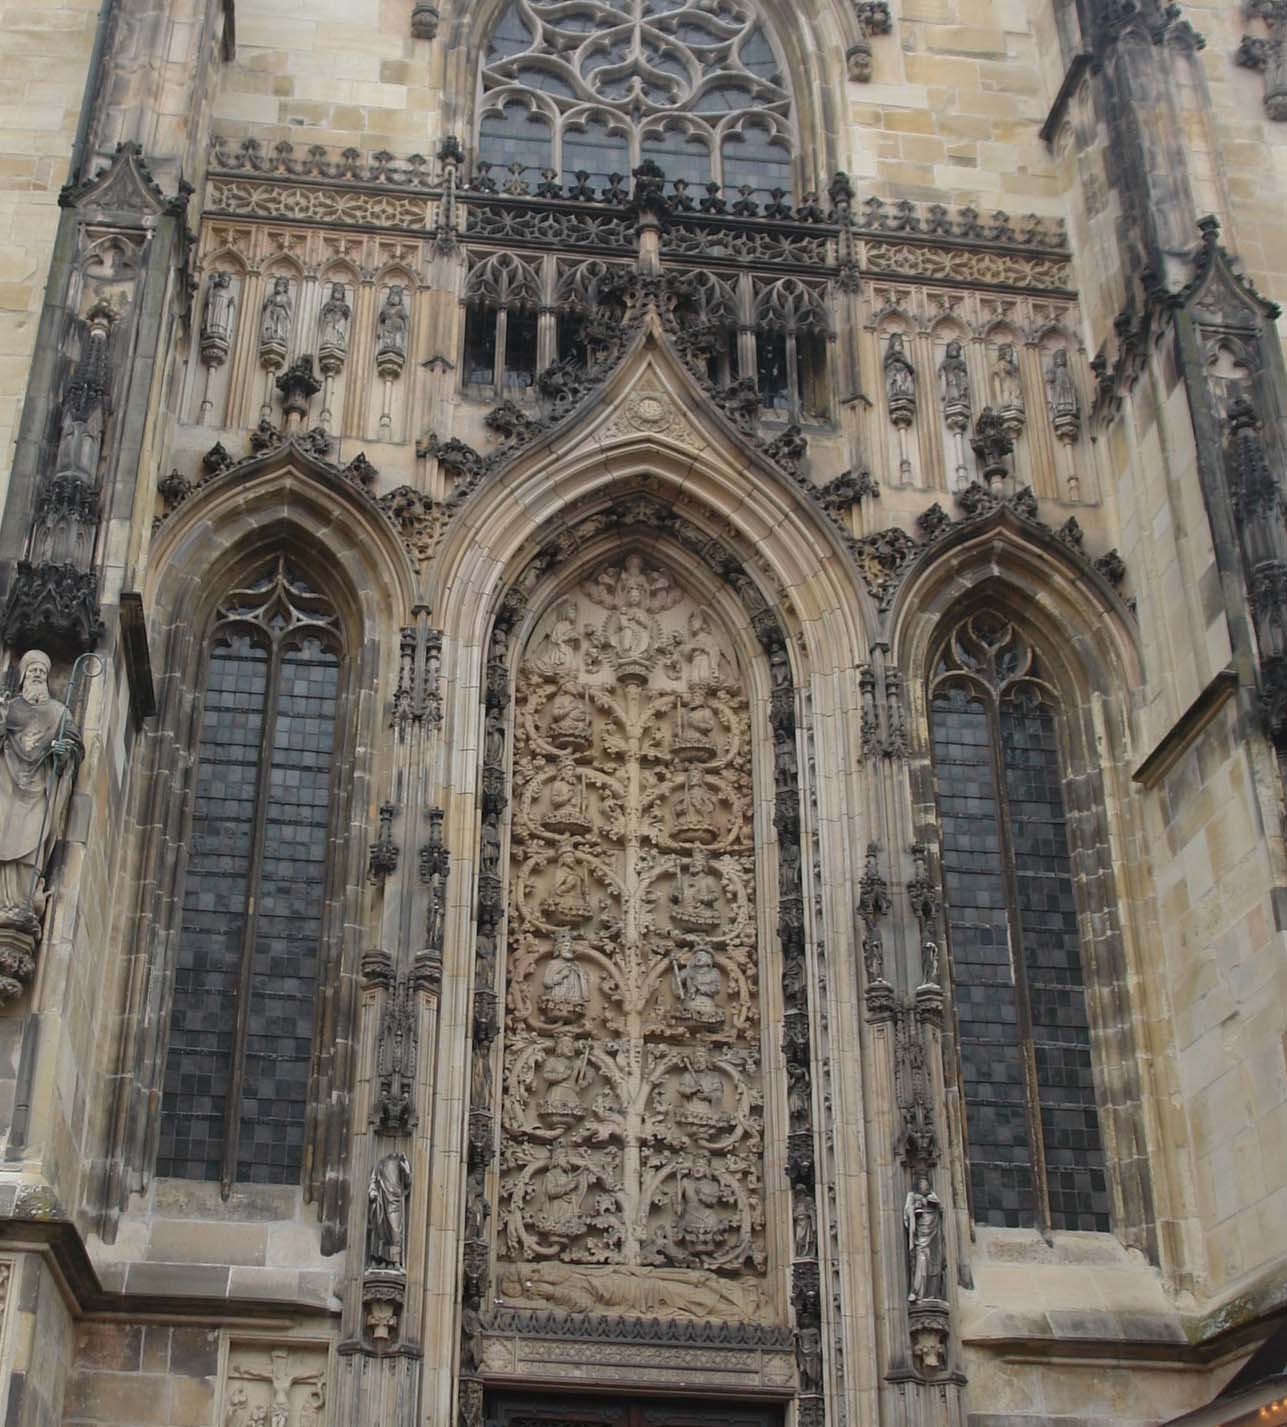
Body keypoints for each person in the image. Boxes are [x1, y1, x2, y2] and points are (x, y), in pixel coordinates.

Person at [0, 652, 83, 919]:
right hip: (6, 784)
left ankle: (20, 902)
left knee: (31, 844)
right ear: (23, 676)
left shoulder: (60, 713)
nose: (37, 674)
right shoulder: (9, 708)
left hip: (39, 789)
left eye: (42, 672)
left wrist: (64, 752)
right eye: (33, 670)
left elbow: (74, 747)